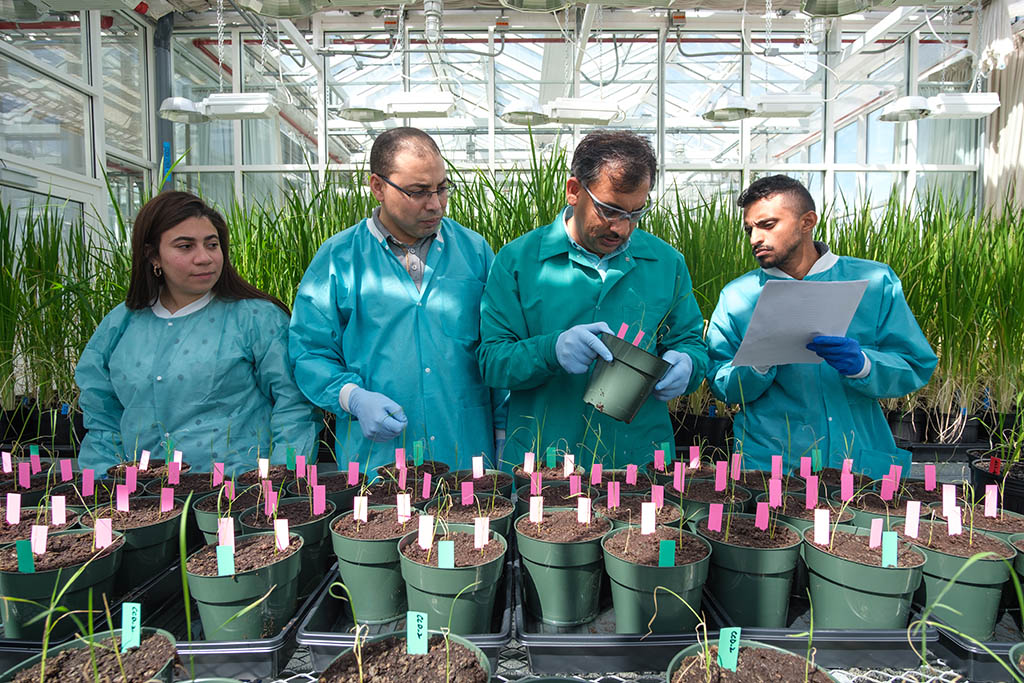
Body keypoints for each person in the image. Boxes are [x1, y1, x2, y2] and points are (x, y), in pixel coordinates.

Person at [477, 131, 708, 467]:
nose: (622, 228)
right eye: (609, 210)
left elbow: (689, 341)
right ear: (574, 191)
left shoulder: (665, 263)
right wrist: (551, 351)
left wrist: (687, 365)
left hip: (637, 457)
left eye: (635, 213)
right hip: (545, 458)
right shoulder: (519, 261)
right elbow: (491, 362)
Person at [289, 127, 504, 472]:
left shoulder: (474, 252)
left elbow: (498, 345)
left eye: (442, 188)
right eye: (418, 192)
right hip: (377, 458)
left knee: (465, 525)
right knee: (384, 524)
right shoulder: (339, 258)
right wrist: (353, 397)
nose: (435, 204)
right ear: (377, 186)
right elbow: (309, 352)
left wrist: (503, 431)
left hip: (464, 450)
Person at [705, 175, 937, 477]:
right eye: (749, 229)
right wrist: (755, 366)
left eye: (768, 225)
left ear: (808, 221)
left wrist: (865, 366)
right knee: (770, 525)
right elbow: (720, 382)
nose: (754, 239)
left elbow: (916, 364)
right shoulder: (738, 296)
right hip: (770, 459)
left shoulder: (875, 282)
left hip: (856, 454)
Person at [75, 191, 320, 475]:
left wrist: (282, 481)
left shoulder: (256, 318)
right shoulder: (122, 324)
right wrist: (104, 484)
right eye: (185, 246)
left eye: (212, 245)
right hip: (143, 500)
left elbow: (294, 407)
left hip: (237, 495)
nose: (204, 258)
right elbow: (102, 416)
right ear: (153, 255)